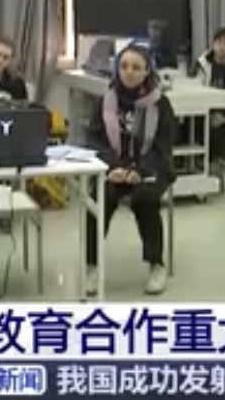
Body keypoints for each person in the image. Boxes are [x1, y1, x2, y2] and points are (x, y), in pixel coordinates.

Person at [85, 44, 176, 296]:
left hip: (150, 167)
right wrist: (112, 167)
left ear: (147, 71)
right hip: (113, 168)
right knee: (97, 200)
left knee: (145, 200)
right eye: (124, 66)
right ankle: (92, 266)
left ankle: (156, 264)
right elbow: (94, 141)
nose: (129, 72)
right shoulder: (106, 101)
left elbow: (163, 147)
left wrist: (140, 171)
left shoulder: (160, 104)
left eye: (136, 67)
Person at [195, 28, 225, 165]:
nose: (222, 47)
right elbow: (196, 89)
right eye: (219, 42)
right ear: (213, 44)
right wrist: (209, 113)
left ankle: (222, 161)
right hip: (204, 110)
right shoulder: (202, 64)